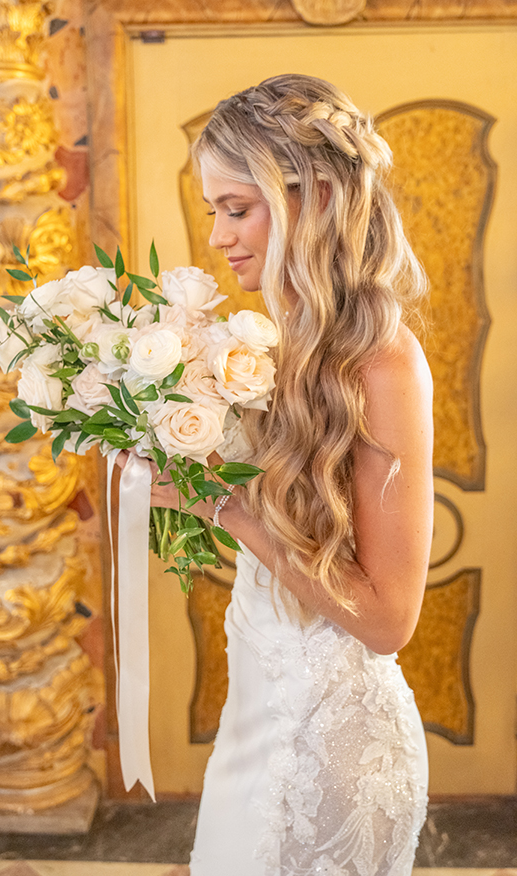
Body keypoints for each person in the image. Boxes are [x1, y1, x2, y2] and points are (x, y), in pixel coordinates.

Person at [122, 75, 433, 872]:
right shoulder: (277, 344)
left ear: (317, 196)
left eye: (238, 208)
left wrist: (224, 508)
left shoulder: (383, 360)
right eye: (213, 212)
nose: (220, 237)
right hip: (257, 720)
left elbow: (387, 620)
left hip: (329, 750)